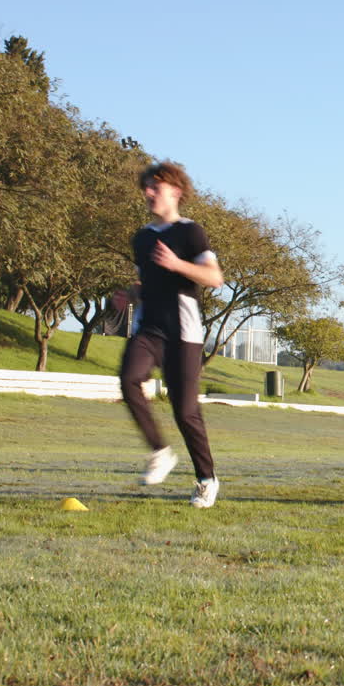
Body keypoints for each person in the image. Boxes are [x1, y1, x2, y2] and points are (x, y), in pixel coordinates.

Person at [113, 162, 224, 508]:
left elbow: (214, 277)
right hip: (150, 328)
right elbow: (145, 283)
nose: (148, 193)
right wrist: (128, 294)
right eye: (146, 188)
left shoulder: (191, 233)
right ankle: (161, 453)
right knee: (129, 380)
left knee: (185, 410)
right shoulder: (142, 238)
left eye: (155, 187)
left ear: (175, 192)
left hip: (184, 332)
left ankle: (207, 480)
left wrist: (177, 264)